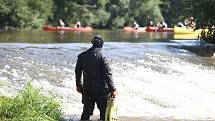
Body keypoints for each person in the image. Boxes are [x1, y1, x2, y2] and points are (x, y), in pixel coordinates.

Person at [75, 35, 117, 121]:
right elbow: (108, 74)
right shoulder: (102, 57)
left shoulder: (82, 56)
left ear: (92, 43)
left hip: (87, 87)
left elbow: (78, 72)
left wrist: (78, 85)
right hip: (101, 89)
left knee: (87, 110)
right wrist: (113, 89)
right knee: (103, 110)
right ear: (102, 44)